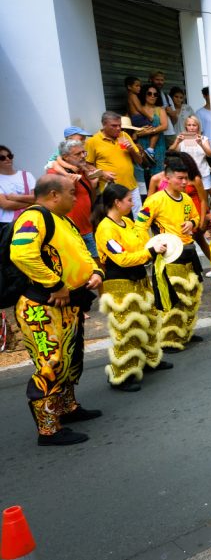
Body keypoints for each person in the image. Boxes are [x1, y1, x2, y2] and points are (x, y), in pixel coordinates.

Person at [11, 175, 104, 445]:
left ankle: (68, 409)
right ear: (53, 194)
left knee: (71, 359)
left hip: (68, 304)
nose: (76, 198)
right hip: (42, 307)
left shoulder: (65, 220)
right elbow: (22, 254)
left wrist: (95, 272)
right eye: (72, 193)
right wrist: (55, 283)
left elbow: (82, 253)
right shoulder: (34, 217)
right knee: (51, 364)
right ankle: (48, 429)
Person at [93, 183, 173, 392]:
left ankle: (149, 360)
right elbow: (121, 258)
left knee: (147, 321)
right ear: (116, 203)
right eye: (128, 199)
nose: (132, 203)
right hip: (120, 283)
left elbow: (140, 246)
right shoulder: (105, 228)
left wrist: (154, 249)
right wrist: (150, 253)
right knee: (126, 330)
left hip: (139, 279)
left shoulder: (127, 222)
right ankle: (121, 375)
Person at [136, 159, 204, 352]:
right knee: (173, 297)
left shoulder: (186, 199)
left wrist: (192, 223)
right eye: (180, 178)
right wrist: (152, 245)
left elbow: (195, 217)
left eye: (186, 179)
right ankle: (169, 338)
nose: (184, 183)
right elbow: (140, 225)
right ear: (167, 177)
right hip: (169, 256)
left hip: (188, 251)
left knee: (191, 294)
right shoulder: (155, 200)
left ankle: (186, 332)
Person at [47, 140, 101, 261]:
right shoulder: (54, 174)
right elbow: (53, 204)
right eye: (78, 154)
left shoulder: (81, 171)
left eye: (83, 152)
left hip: (87, 228)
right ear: (65, 157)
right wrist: (69, 187)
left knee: (98, 266)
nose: (82, 156)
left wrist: (92, 186)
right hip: (69, 232)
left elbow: (89, 200)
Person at [86, 111, 146, 217]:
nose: (118, 128)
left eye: (120, 125)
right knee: (117, 218)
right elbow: (87, 164)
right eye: (114, 126)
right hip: (111, 189)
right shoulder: (93, 141)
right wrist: (103, 173)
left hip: (131, 185)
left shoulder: (124, 135)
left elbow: (139, 161)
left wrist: (131, 150)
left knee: (139, 218)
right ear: (104, 125)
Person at [170, 115, 211, 193]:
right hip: (186, 173)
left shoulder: (203, 139)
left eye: (194, 125)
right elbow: (171, 152)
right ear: (186, 127)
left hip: (202, 171)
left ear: (198, 127)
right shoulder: (181, 139)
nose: (192, 127)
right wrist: (177, 142)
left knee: (206, 194)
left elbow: (210, 154)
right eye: (189, 125)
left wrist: (201, 144)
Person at [0, 145, 36, 235]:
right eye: (2, 158)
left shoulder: (27, 175)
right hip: (7, 224)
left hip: (30, 220)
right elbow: (6, 205)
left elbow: (36, 197)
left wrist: (15, 197)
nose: (8, 159)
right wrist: (31, 201)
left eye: (10, 156)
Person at [139, 84, 169, 186]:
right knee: (142, 173)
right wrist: (137, 133)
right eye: (149, 93)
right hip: (141, 143)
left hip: (158, 146)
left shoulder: (160, 109)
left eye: (155, 94)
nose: (152, 96)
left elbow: (165, 126)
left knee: (158, 173)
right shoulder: (138, 109)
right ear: (144, 94)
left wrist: (151, 131)